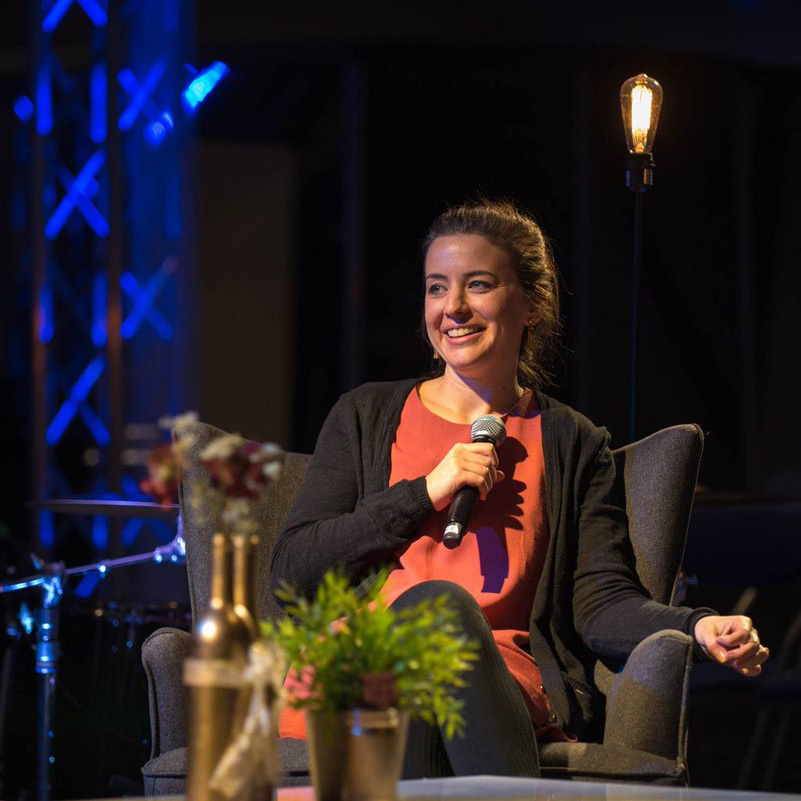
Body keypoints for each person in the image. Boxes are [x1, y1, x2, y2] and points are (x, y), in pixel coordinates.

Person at [270, 199, 769, 778]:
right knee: (434, 611)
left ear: (531, 305)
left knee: (442, 625)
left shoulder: (570, 441)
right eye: (436, 288)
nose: (452, 307)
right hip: (361, 676)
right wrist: (423, 491)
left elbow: (601, 602)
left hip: (495, 688)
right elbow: (292, 573)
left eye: (477, 285)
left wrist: (696, 625)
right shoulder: (365, 415)